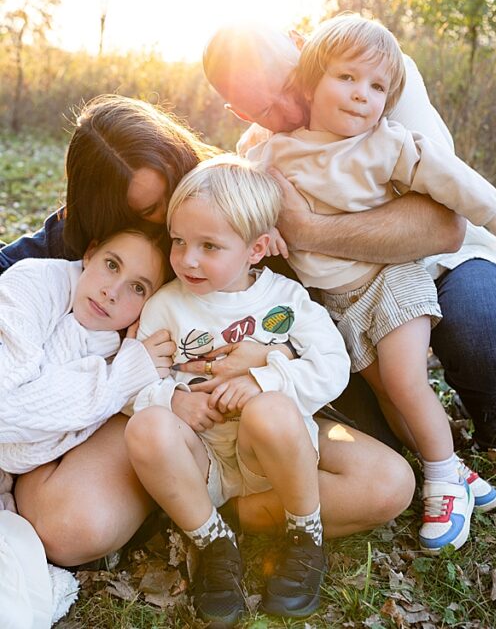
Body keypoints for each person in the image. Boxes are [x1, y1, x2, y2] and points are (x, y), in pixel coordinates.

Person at [3, 94, 414, 567]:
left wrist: (269, 360)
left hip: (263, 415)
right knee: (69, 528)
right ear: (98, 223)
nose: (160, 227)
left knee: (386, 485)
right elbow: (19, 264)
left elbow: (321, 345)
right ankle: (178, 498)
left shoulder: (238, 204)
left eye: (159, 204)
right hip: (157, 415)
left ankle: (225, 515)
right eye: (134, 216)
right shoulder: (77, 247)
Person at [245, 15, 496, 551]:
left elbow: (454, 188)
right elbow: (239, 186)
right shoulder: (275, 149)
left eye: (377, 87)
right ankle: (454, 466)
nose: (363, 95)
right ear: (311, 80)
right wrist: (265, 226)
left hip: (394, 278)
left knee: (406, 381)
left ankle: (442, 481)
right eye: (347, 80)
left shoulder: (386, 143)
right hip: (339, 303)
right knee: (389, 393)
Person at [203, 22, 496, 450]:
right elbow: (228, 186)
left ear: (300, 45)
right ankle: (436, 448)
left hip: (447, 262)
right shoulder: (266, 145)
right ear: (241, 113)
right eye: (267, 110)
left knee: (485, 341)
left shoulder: (376, 78)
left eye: (291, 84)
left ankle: (484, 402)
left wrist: (307, 229)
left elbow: (445, 226)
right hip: (350, 291)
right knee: (384, 418)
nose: (291, 112)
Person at [126, 156, 348, 623]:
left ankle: (305, 535)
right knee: (146, 427)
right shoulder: (165, 306)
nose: (188, 259)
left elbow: (333, 367)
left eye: (209, 246)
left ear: (256, 248)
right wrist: (173, 400)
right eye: (180, 241)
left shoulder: (285, 300)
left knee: (268, 410)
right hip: (202, 460)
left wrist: (262, 379)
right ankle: (214, 543)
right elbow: (134, 382)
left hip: (270, 455)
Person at [0, 225, 173, 476]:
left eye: (138, 288)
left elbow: (19, 453)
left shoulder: (116, 343)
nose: (111, 293)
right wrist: (121, 380)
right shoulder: (30, 284)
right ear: (90, 253)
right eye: (112, 265)